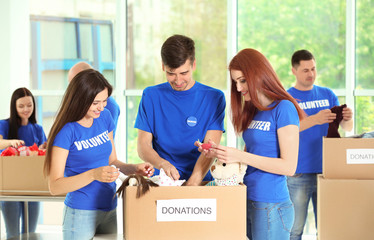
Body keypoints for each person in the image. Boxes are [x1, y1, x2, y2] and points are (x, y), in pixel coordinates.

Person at [198, 48, 305, 240]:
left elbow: (289, 167)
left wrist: (238, 155)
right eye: (235, 82)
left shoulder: (284, 109)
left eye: (243, 80)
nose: (238, 88)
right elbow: (251, 157)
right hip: (248, 197)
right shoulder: (254, 110)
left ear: (259, 74)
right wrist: (219, 154)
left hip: (271, 203)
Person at [43, 69, 154, 239]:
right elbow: (55, 186)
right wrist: (94, 174)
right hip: (81, 212)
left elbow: (112, 160)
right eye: (96, 103)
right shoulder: (66, 132)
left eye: (104, 101)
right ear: (81, 99)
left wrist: (133, 168)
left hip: (109, 206)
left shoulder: (105, 117)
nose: (101, 107)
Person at [135, 34, 226, 185]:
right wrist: (162, 164)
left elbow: (210, 148)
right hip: (163, 182)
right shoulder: (150, 96)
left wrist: (193, 183)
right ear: (163, 66)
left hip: (200, 181)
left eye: (184, 73)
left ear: (193, 65)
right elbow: (142, 146)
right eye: (171, 73)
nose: (178, 81)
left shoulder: (214, 98)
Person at [286, 49, 353, 240]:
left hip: (327, 171)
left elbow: (346, 127)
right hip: (298, 172)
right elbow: (286, 130)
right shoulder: (287, 98)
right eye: (306, 70)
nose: (311, 74)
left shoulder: (327, 94)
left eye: (313, 69)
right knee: (295, 229)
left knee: (326, 229)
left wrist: (349, 118)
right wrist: (315, 119)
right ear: (294, 71)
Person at [0, 87, 47, 239]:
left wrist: (44, 148)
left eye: (29, 105)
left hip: (32, 187)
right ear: (14, 107)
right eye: (21, 106)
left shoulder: (38, 129)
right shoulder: (4, 125)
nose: (26, 109)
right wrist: (10, 143)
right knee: (12, 234)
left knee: (30, 233)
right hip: (11, 187)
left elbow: (42, 153)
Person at [68, 61, 121, 138]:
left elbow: (104, 140)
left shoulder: (109, 107)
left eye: (76, 83)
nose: (72, 89)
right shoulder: (77, 101)